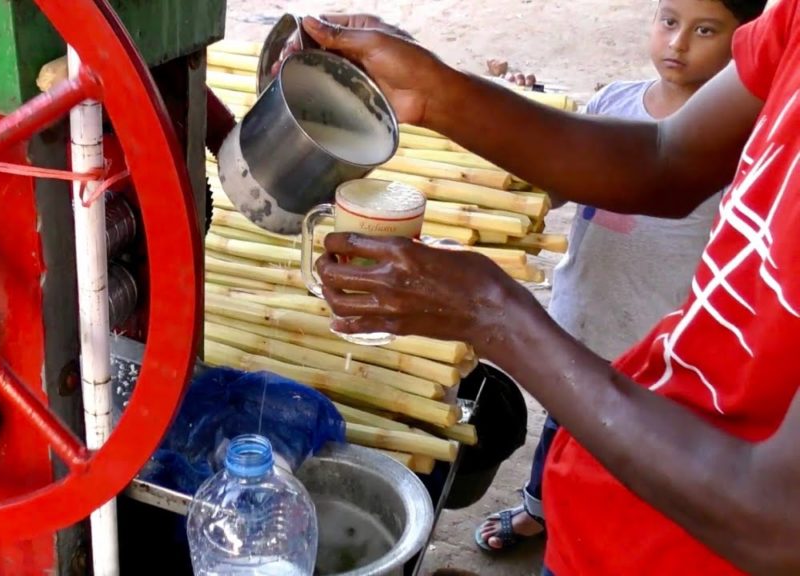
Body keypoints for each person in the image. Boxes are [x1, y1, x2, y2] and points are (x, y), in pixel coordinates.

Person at [291, 0, 800, 573]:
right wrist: (432, 91)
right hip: (601, 526)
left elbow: (777, 522)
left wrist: (493, 315)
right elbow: (666, 156)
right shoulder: (792, 25)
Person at [475, 0, 767, 554]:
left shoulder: (742, 142)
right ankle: (540, 508)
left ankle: (598, 532)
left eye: (705, 30)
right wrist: (525, 121)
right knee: (564, 424)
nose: (677, 43)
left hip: (661, 338)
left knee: (632, 449)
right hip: (585, 310)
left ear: (749, 40)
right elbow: (556, 187)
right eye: (668, 21)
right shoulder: (613, 103)